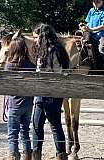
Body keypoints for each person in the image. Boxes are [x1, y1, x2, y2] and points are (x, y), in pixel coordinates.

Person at [32, 23, 69, 160]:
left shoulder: (52, 51)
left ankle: (59, 155)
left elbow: (57, 74)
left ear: (42, 36)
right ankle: (40, 154)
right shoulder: (50, 50)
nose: (35, 40)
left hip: (49, 93)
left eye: (36, 37)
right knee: (39, 125)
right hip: (44, 94)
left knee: (52, 126)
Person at [5, 37, 36, 160]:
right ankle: (27, 154)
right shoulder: (31, 66)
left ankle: (13, 155)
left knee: (12, 133)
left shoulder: (9, 66)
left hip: (15, 104)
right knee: (25, 131)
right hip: (28, 104)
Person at [79, 0, 104, 69]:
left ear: (103, 2)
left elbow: (103, 26)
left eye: (98, 1)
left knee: (101, 49)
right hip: (91, 35)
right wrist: (83, 26)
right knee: (80, 45)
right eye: (94, 1)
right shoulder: (91, 11)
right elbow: (87, 22)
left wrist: (91, 29)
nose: (96, 3)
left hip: (101, 35)